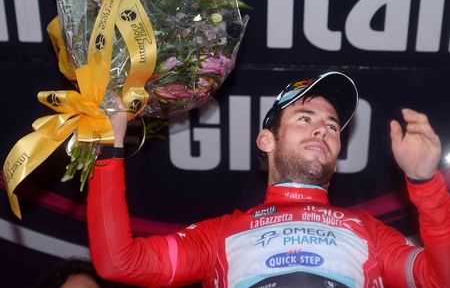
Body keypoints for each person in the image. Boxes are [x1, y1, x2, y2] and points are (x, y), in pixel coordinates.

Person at [87, 71, 450, 287]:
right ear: (266, 140)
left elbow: (440, 279)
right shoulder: (218, 235)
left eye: (332, 126)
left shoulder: (371, 233)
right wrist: (108, 147)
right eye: (305, 118)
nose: (322, 130)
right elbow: (119, 262)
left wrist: (425, 183)